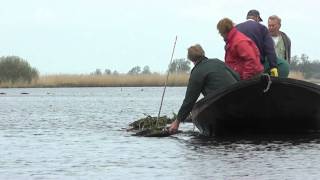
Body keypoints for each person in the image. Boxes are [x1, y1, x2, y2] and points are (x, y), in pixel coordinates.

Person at [168, 44, 239, 134]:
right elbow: (237, 76)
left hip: (222, 107)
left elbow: (189, 100)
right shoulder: (217, 62)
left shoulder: (197, 72)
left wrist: (177, 122)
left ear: (190, 59)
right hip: (237, 100)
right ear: (203, 53)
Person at [236, 10, 279, 77]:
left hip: (239, 68)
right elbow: (269, 49)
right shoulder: (263, 28)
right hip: (256, 67)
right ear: (257, 18)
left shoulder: (236, 28)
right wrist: (273, 66)